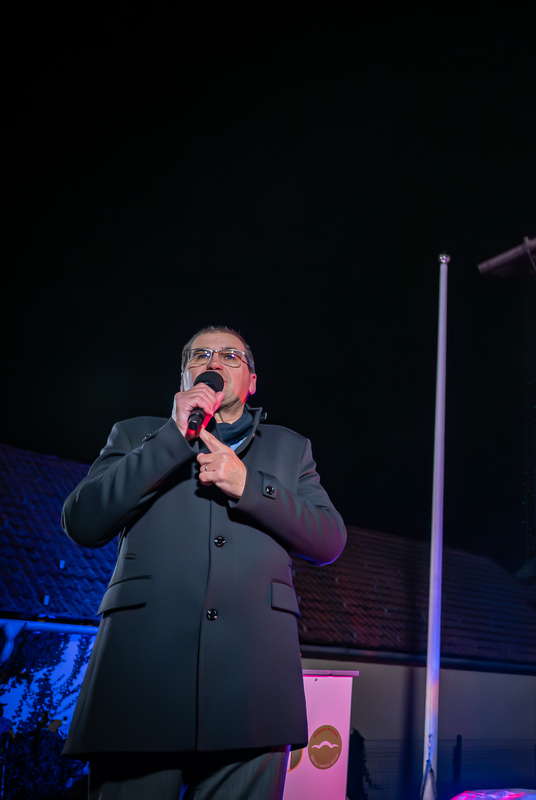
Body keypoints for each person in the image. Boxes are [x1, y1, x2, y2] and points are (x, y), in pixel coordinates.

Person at [61, 326, 347, 800]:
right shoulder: (134, 434)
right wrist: (171, 439)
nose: (214, 362)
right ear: (184, 376)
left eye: (231, 356)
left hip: (254, 692)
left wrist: (250, 486)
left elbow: (329, 540)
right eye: (201, 355)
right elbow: (83, 521)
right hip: (140, 686)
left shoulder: (291, 449)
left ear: (251, 381)